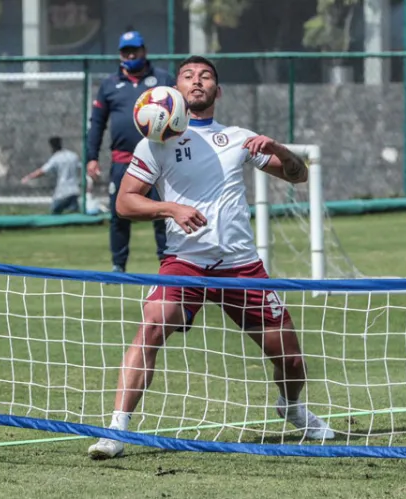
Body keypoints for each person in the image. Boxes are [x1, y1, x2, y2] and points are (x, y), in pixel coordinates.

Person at [87, 55, 335, 460]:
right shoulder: (157, 141)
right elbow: (125, 203)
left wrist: (276, 147)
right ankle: (116, 429)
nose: (197, 81)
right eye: (188, 76)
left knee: (289, 358)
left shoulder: (238, 137)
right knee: (151, 325)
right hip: (184, 262)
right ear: (175, 90)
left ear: (217, 91)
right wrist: (171, 209)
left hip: (242, 266)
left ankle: (292, 407)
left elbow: (298, 174)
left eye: (205, 76)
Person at [86, 30, 175, 273]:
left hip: (159, 159)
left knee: (163, 213)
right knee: (119, 214)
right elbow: (97, 123)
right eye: (126, 51)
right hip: (123, 162)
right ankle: (118, 266)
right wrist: (91, 157)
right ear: (120, 54)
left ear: (144, 50)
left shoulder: (163, 79)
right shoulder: (109, 85)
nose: (131, 54)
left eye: (135, 49)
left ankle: (168, 266)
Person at [22, 137, 82, 215]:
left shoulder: (56, 158)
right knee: (74, 213)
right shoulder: (73, 155)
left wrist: (29, 177)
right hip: (74, 190)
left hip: (62, 191)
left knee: (55, 212)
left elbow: (42, 171)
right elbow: (81, 167)